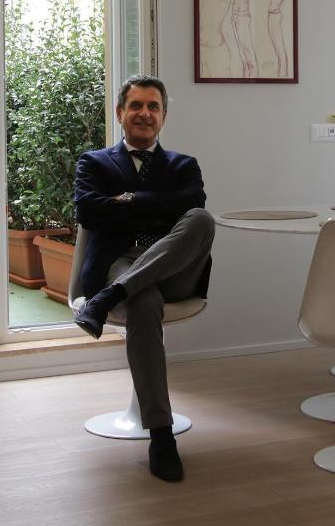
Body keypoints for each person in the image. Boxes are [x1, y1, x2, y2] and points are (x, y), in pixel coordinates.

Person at [73, 74, 215, 483]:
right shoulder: (93, 162)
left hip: (174, 270)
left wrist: (130, 200)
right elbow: (89, 212)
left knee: (202, 220)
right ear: (120, 114)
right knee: (144, 299)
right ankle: (162, 435)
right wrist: (159, 209)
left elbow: (192, 207)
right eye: (136, 105)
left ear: (164, 116)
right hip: (118, 261)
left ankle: (108, 298)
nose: (144, 114)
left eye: (153, 106)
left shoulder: (184, 165)